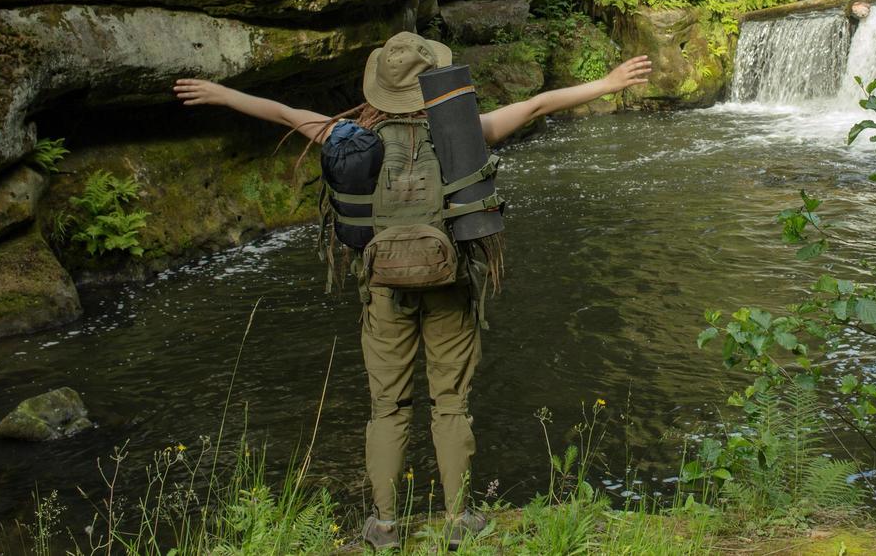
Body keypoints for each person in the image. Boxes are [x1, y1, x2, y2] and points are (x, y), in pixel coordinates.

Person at [173, 33, 651, 550]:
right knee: (449, 405)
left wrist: (223, 94)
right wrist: (607, 83)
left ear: (379, 89)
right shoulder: (463, 134)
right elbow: (535, 106)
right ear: (429, 85)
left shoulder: (348, 136)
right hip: (450, 285)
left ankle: (382, 528)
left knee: (388, 408)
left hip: (383, 292)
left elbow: (286, 114)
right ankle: (457, 520)